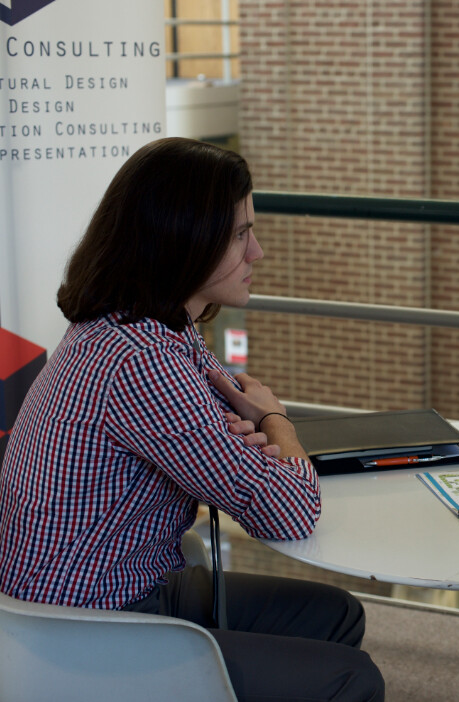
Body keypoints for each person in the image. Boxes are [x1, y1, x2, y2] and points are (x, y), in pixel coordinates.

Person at [0, 138, 385, 702]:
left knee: (334, 614)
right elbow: (290, 509)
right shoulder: (140, 361)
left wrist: (251, 436)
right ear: (182, 237)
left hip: (123, 581)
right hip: (82, 623)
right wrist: (280, 425)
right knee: (353, 680)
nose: (258, 252)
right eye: (239, 234)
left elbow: (227, 413)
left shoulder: (157, 326)